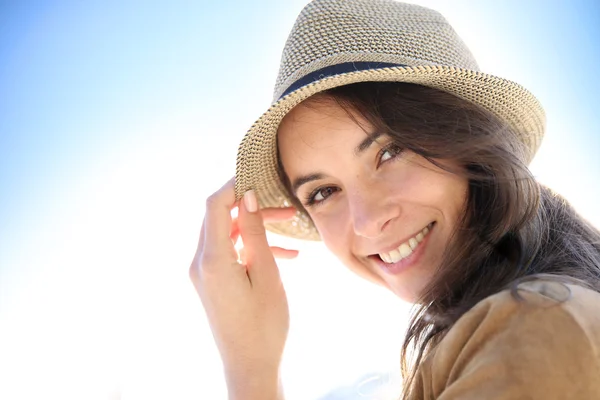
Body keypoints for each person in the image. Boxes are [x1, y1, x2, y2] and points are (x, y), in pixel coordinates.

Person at [189, 0, 600, 399]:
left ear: (470, 137)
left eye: (389, 151)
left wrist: (251, 370)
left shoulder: (538, 328)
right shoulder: (505, 329)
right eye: (323, 192)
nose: (367, 221)